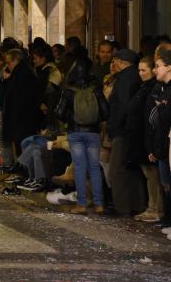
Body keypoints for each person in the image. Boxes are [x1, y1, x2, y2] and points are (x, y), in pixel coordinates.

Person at [55, 57, 109, 214]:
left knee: (79, 168)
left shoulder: (69, 90)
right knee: (94, 168)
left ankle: (82, 204)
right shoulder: (96, 88)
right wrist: (96, 121)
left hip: (75, 133)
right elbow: (106, 112)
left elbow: (59, 112)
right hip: (93, 133)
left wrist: (69, 121)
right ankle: (99, 204)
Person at [107, 49, 145, 216]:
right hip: (131, 129)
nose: (112, 64)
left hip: (123, 131)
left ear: (121, 62)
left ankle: (122, 207)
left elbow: (122, 106)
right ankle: (138, 205)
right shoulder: (134, 77)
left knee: (117, 170)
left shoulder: (124, 79)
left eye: (114, 60)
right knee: (131, 169)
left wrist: (115, 128)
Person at [129, 56, 163, 222]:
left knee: (153, 175)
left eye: (144, 70)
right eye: (139, 70)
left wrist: (150, 143)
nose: (141, 73)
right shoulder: (144, 87)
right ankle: (152, 206)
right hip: (141, 137)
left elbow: (151, 117)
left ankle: (155, 208)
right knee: (149, 174)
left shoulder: (153, 88)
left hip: (147, 137)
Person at [151, 48, 171, 234]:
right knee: (165, 185)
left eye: (157, 66)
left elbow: (165, 118)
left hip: (168, 144)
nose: (154, 70)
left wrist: (163, 109)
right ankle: (167, 219)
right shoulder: (161, 88)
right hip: (163, 145)